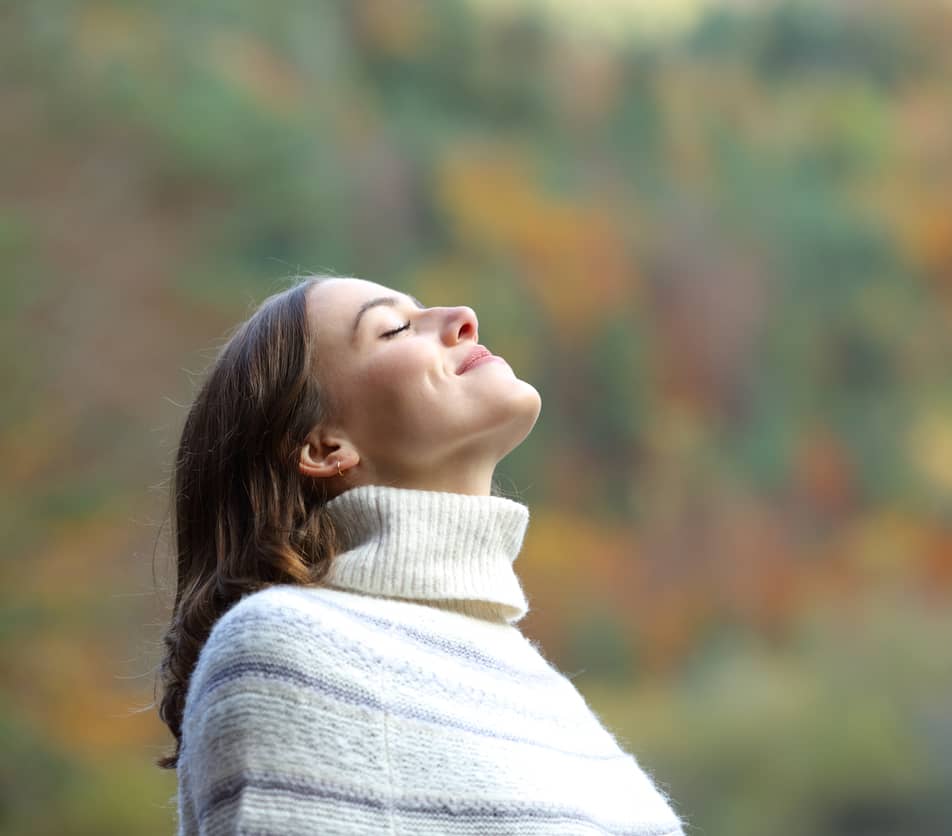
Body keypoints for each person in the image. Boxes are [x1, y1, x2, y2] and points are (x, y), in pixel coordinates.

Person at [156, 275, 686, 835]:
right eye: (396, 328)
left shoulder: (546, 694)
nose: (462, 316)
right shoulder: (287, 646)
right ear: (323, 447)